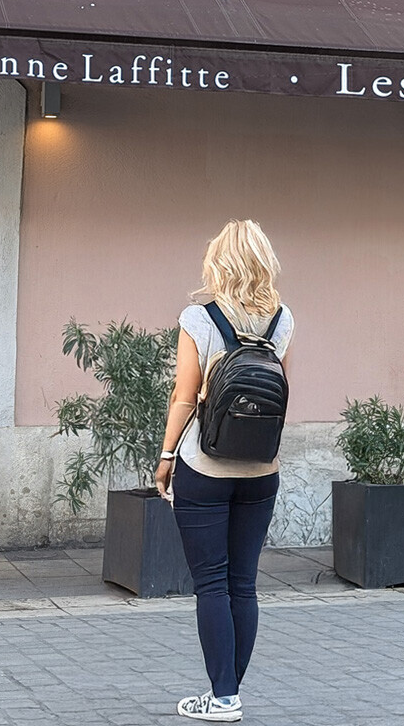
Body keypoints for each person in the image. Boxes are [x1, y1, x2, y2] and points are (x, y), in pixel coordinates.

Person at [154, 220, 295, 723]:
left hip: (205, 465)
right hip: (262, 468)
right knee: (244, 583)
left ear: (220, 262)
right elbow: (280, 395)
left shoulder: (198, 318)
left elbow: (184, 397)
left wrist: (167, 456)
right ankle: (228, 691)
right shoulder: (283, 321)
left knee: (211, 583)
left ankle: (223, 698)